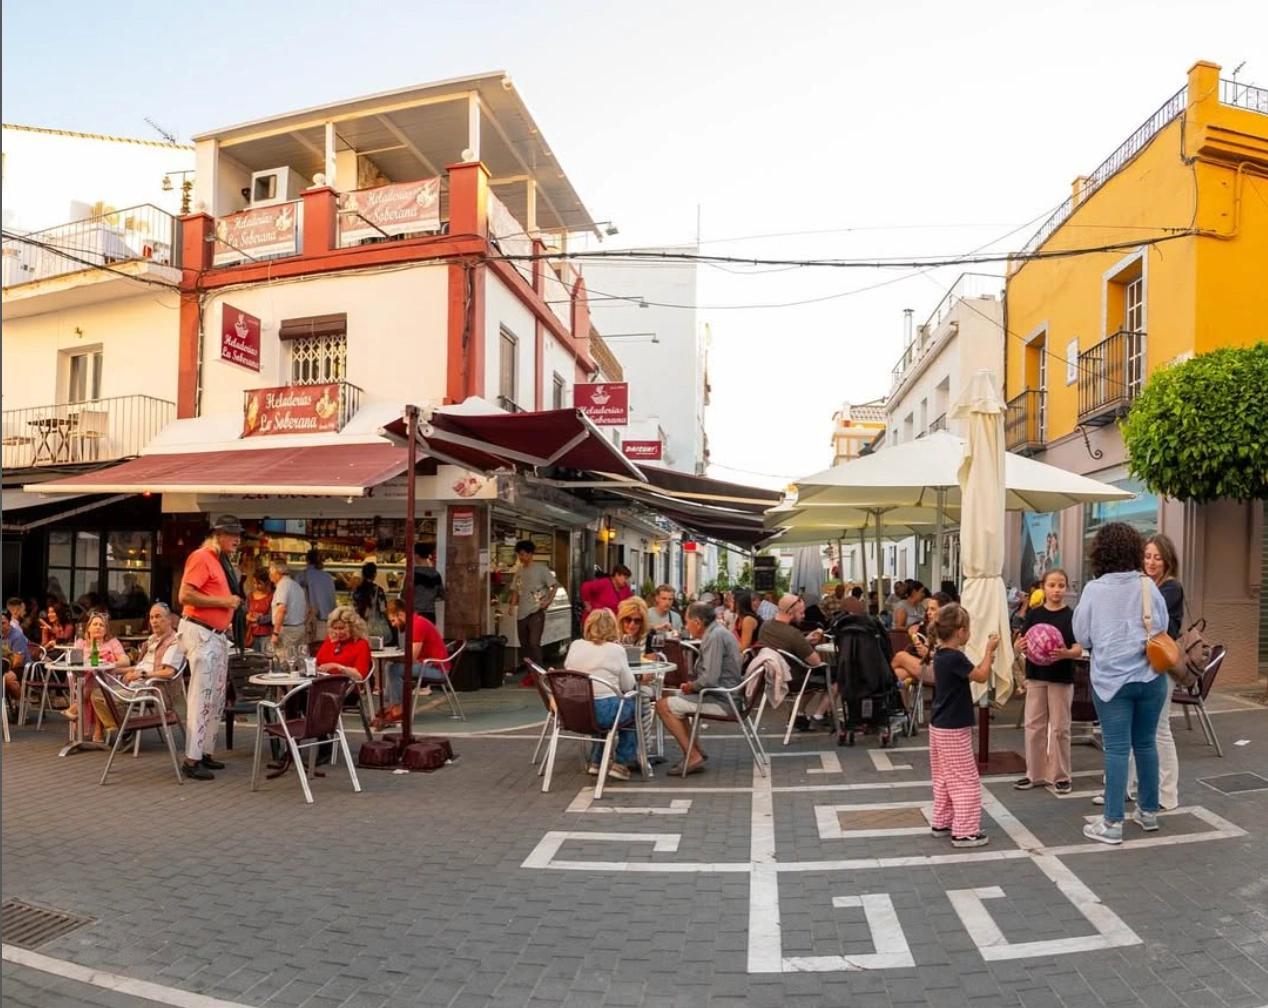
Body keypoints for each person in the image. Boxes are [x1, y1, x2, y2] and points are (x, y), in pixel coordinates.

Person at [1073, 522, 1170, 844]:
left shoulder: (1094, 590)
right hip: (1151, 677)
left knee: (1116, 749)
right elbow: (1162, 626)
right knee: (1146, 744)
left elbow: (1082, 636)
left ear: (1100, 552)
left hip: (1111, 681)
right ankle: (1149, 812)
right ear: (1134, 551)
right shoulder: (1148, 585)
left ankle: (1112, 823)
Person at [176, 516, 243, 781]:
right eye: (232, 534)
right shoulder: (202, 557)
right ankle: (191, 759)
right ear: (218, 535)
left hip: (216, 634)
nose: (237, 539)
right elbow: (185, 595)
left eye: (238, 534)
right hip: (201, 632)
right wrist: (224, 602)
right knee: (202, 695)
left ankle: (204, 752)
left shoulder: (220, 562)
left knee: (215, 697)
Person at [928, 603, 999, 848]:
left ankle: (942, 821)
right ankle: (965, 831)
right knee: (965, 778)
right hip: (954, 726)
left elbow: (966, 675)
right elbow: (981, 675)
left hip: (938, 724)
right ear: (960, 632)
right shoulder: (955, 656)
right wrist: (989, 651)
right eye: (968, 629)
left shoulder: (940, 654)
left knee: (943, 776)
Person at [1014, 569, 1082, 794]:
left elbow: (1078, 648)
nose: (1056, 590)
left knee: (1060, 728)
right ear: (1043, 587)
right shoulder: (1034, 614)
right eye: (1052, 585)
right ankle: (1034, 773)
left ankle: (1061, 775)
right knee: (1034, 726)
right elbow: (1020, 642)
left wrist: (1066, 654)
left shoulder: (1071, 616)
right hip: (1036, 676)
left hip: (1061, 677)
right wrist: (1019, 646)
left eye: (1061, 585)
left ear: (1066, 588)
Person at [1128, 533, 1184, 810]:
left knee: (1160, 729)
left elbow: (1148, 619)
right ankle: (1128, 786)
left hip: (1161, 665)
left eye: (1157, 558)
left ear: (1168, 561)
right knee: (1133, 728)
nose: (1151, 562)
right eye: (1147, 556)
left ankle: (1168, 794)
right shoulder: (1145, 584)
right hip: (1142, 664)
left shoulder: (1170, 588)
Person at [655, 602, 743, 775]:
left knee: (662, 706)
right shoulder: (718, 632)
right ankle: (695, 751)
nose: (686, 626)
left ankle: (693, 755)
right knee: (673, 701)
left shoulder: (714, 637)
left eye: (687, 622)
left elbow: (709, 679)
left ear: (697, 622)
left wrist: (692, 686)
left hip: (723, 700)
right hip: (724, 695)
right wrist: (692, 687)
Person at [563, 608, 641, 780]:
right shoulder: (616, 650)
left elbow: (568, 668)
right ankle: (622, 762)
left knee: (605, 705)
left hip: (574, 711)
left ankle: (597, 761)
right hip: (603, 713)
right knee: (632, 706)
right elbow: (628, 685)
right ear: (613, 628)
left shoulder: (575, 645)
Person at [90, 603, 184, 736]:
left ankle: (123, 731)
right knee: (97, 692)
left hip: (153, 689)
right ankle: (122, 729)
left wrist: (142, 675)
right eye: (151, 617)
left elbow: (169, 673)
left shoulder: (174, 642)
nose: (154, 621)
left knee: (100, 695)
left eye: (158, 617)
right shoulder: (153, 640)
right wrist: (116, 670)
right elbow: (140, 666)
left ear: (169, 620)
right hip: (136, 684)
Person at [758, 594, 830, 730]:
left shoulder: (765, 627)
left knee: (813, 675)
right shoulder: (793, 634)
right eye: (801, 613)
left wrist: (804, 641)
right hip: (793, 680)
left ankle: (798, 714)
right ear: (790, 612)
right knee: (835, 677)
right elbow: (816, 662)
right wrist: (805, 643)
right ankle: (818, 716)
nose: (804, 616)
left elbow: (783, 645)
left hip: (771, 677)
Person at [376, 599, 449, 728]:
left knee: (394, 670)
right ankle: (393, 704)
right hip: (432, 665)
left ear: (400, 614)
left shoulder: (417, 625)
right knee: (390, 667)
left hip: (437, 669)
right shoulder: (416, 622)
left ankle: (399, 709)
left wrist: (395, 659)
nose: (393, 625)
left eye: (393, 620)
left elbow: (411, 657)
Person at [64, 611, 132, 743]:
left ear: (106, 630)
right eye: (95, 624)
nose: (98, 627)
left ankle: (75, 708)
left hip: (110, 682)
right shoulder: (81, 643)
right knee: (95, 682)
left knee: (97, 682)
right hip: (84, 680)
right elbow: (75, 662)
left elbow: (126, 661)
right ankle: (97, 731)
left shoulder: (112, 642)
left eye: (101, 625)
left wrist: (109, 663)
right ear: (88, 628)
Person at [511, 540, 559, 671]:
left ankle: (539, 671)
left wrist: (548, 601)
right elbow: (515, 590)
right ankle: (530, 671)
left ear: (530, 554)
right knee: (524, 643)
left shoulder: (541, 569)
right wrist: (512, 605)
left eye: (523, 554)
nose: (521, 557)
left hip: (536, 611)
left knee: (534, 642)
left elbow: (554, 585)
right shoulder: (519, 571)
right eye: (519, 554)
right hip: (522, 612)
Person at [314, 605, 372, 681]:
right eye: (335, 628)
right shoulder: (330, 640)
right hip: (323, 682)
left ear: (352, 628)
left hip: (346, 685)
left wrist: (338, 667)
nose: (337, 632)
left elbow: (360, 676)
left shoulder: (362, 644)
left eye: (341, 628)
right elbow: (317, 662)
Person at [295, 550, 337, 643]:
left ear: (307, 560)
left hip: (309, 621)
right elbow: (333, 600)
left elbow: (296, 599)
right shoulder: (328, 577)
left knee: (308, 649)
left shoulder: (301, 576)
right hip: (327, 622)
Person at [268, 559, 308, 656]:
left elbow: (281, 609)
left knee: (284, 660)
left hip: (287, 632)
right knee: (297, 659)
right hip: (299, 628)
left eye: (270, 573)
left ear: (277, 573)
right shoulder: (296, 585)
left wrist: (275, 633)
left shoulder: (283, 586)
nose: (269, 576)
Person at [410, 543, 445, 626]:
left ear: (417, 556)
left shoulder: (412, 574)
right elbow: (442, 595)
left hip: (416, 613)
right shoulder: (436, 574)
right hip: (430, 614)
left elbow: (405, 594)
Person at [245, 571, 273, 654]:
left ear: (266, 583)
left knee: (265, 656)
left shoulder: (271, 597)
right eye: (254, 583)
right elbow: (245, 611)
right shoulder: (250, 596)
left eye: (259, 583)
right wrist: (247, 616)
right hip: (251, 633)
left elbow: (272, 616)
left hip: (265, 634)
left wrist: (259, 619)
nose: (256, 586)